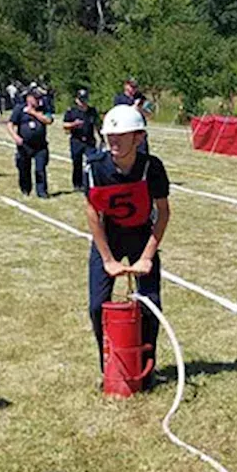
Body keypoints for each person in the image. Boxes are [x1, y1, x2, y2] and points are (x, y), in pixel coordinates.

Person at [84, 105, 170, 376]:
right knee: (98, 305)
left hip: (140, 234)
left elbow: (163, 213)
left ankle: (146, 366)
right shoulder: (96, 167)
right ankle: (108, 365)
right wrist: (107, 259)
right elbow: (92, 215)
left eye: (121, 136)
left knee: (150, 303)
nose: (114, 142)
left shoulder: (151, 167)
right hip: (109, 235)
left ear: (139, 138)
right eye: (110, 136)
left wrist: (146, 256)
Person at [7, 88, 52, 198]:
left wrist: (34, 113)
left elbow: (48, 120)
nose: (38, 101)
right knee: (24, 168)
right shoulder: (19, 109)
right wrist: (15, 137)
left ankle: (42, 191)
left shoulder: (43, 108)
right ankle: (25, 189)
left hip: (40, 145)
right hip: (24, 145)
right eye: (35, 98)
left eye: (39, 98)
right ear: (29, 98)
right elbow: (10, 124)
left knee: (40, 169)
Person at [62, 89, 101, 193]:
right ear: (77, 100)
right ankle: (77, 184)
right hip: (76, 140)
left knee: (92, 161)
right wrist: (73, 124)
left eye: (85, 99)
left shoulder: (92, 111)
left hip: (89, 140)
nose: (83, 102)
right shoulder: (72, 111)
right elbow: (65, 125)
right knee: (77, 163)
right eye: (81, 99)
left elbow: (97, 125)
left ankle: (91, 182)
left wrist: (102, 138)